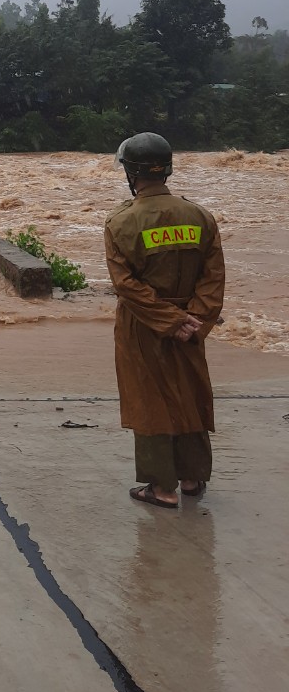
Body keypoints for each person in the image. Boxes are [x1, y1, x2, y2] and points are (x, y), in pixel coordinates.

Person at [105, 133, 225, 509]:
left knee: (151, 401)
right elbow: (213, 276)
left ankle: (161, 488)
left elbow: (126, 286)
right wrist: (195, 321)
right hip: (190, 325)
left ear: (132, 172)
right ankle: (192, 479)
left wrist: (168, 319)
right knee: (190, 395)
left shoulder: (121, 223)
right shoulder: (199, 216)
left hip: (144, 326)